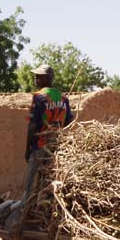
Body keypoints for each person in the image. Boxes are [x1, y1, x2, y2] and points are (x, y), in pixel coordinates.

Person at [22, 64, 74, 200]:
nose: (35, 78)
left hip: (40, 146)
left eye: (39, 76)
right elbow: (69, 121)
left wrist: (28, 149)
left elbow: (32, 125)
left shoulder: (39, 97)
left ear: (47, 78)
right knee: (49, 183)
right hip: (57, 148)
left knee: (30, 185)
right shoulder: (63, 98)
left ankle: (24, 208)